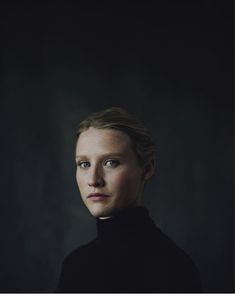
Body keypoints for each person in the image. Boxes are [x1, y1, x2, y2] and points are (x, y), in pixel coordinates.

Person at [56, 107, 202, 293]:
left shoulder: (171, 267)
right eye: (84, 164)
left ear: (147, 169)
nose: (93, 180)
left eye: (111, 162)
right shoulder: (76, 264)